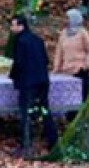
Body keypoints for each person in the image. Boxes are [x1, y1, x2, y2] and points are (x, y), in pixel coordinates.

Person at [9, 14, 57, 157]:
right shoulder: (38, 40)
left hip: (28, 82)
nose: (12, 28)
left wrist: (12, 75)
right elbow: (46, 60)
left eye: (13, 25)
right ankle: (52, 139)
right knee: (44, 109)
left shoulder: (20, 42)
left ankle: (26, 144)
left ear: (20, 26)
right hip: (42, 80)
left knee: (26, 112)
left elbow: (19, 63)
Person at [53, 8, 89, 101]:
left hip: (80, 71)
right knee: (69, 99)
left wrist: (86, 64)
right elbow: (59, 53)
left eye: (67, 18)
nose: (65, 20)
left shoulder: (82, 33)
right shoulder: (63, 34)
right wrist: (56, 68)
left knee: (81, 97)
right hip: (67, 71)